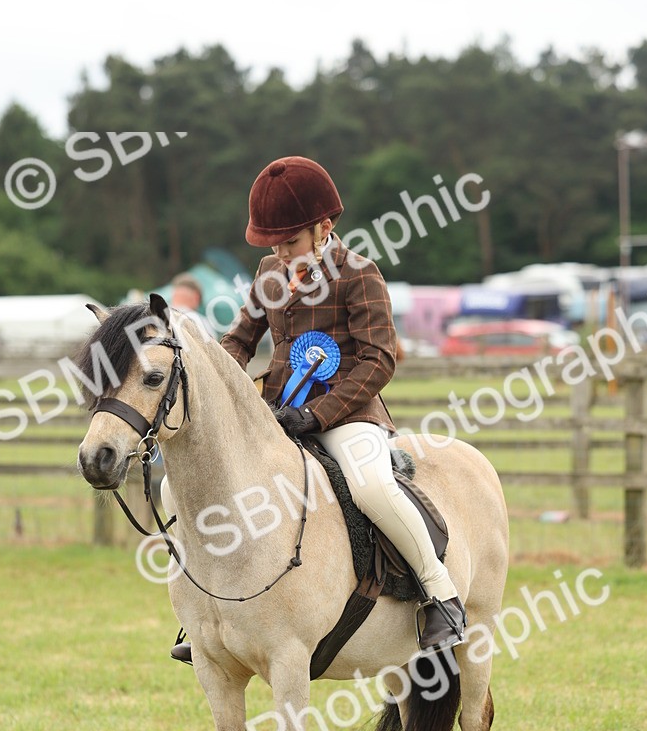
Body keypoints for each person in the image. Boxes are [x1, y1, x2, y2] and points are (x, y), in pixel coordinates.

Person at [171, 156, 465, 664]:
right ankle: (202, 612)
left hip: (349, 415)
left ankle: (441, 592)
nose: (281, 255)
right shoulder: (269, 271)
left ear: (324, 227)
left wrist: (319, 414)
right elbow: (240, 340)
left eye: (290, 243)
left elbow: (379, 359)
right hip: (276, 414)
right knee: (194, 485)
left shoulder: (360, 275)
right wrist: (211, 378)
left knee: (372, 487)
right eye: (274, 246)